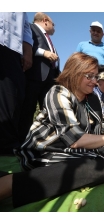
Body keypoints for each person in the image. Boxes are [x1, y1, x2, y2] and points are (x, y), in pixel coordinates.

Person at [2, 52, 104, 208]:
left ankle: (85, 164)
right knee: (99, 168)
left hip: (71, 149)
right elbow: (75, 140)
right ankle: (9, 185)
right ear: (74, 72)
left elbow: (98, 126)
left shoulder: (92, 98)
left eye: (95, 77)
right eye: (89, 76)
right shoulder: (58, 93)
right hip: (45, 150)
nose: (94, 82)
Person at [19, 12, 61, 143]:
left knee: (48, 110)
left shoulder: (47, 38)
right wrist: (44, 52)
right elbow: (25, 45)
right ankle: (23, 140)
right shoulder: (30, 28)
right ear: (45, 20)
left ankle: (46, 140)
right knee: (28, 110)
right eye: (53, 24)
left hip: (49, 80)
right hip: (34, 77)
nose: (54, 27)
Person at [0, 12, 33, 155]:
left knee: (12, 98)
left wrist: (28, 51)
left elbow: (25, 25)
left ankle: (7, 149)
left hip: (12, 47)